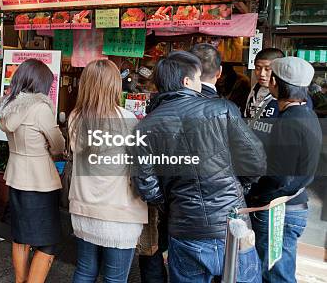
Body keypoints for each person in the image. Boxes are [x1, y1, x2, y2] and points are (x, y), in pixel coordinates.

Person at [132, 51, 266, 283]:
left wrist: (168, 202)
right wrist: (237, 188)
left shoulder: (144, 127)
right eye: (196, 79)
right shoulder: (222, 109)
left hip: (184, 227)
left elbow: (146, 185)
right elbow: (256, 161)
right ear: (186, 82)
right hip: (231, 224)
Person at [68, 60, 147, 282]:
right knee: (114, 279)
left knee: (84, 271)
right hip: (118, 214)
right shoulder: (128, 120)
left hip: (84, 210)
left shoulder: (76, 118)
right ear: (114, 85)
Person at [0, 59, 65, 283]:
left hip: (16, 176)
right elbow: (58, 145)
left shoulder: (5, 109)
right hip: (41, 181)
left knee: (21, 236)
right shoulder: (40, 108)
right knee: (48, 240)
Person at [247, 57, 322, 283]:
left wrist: (253, 191)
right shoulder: (306, 114)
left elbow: (279, 177)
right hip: (292, 206)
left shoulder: (289, 121)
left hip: (279, 210)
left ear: (276, 84)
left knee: (275, 275)